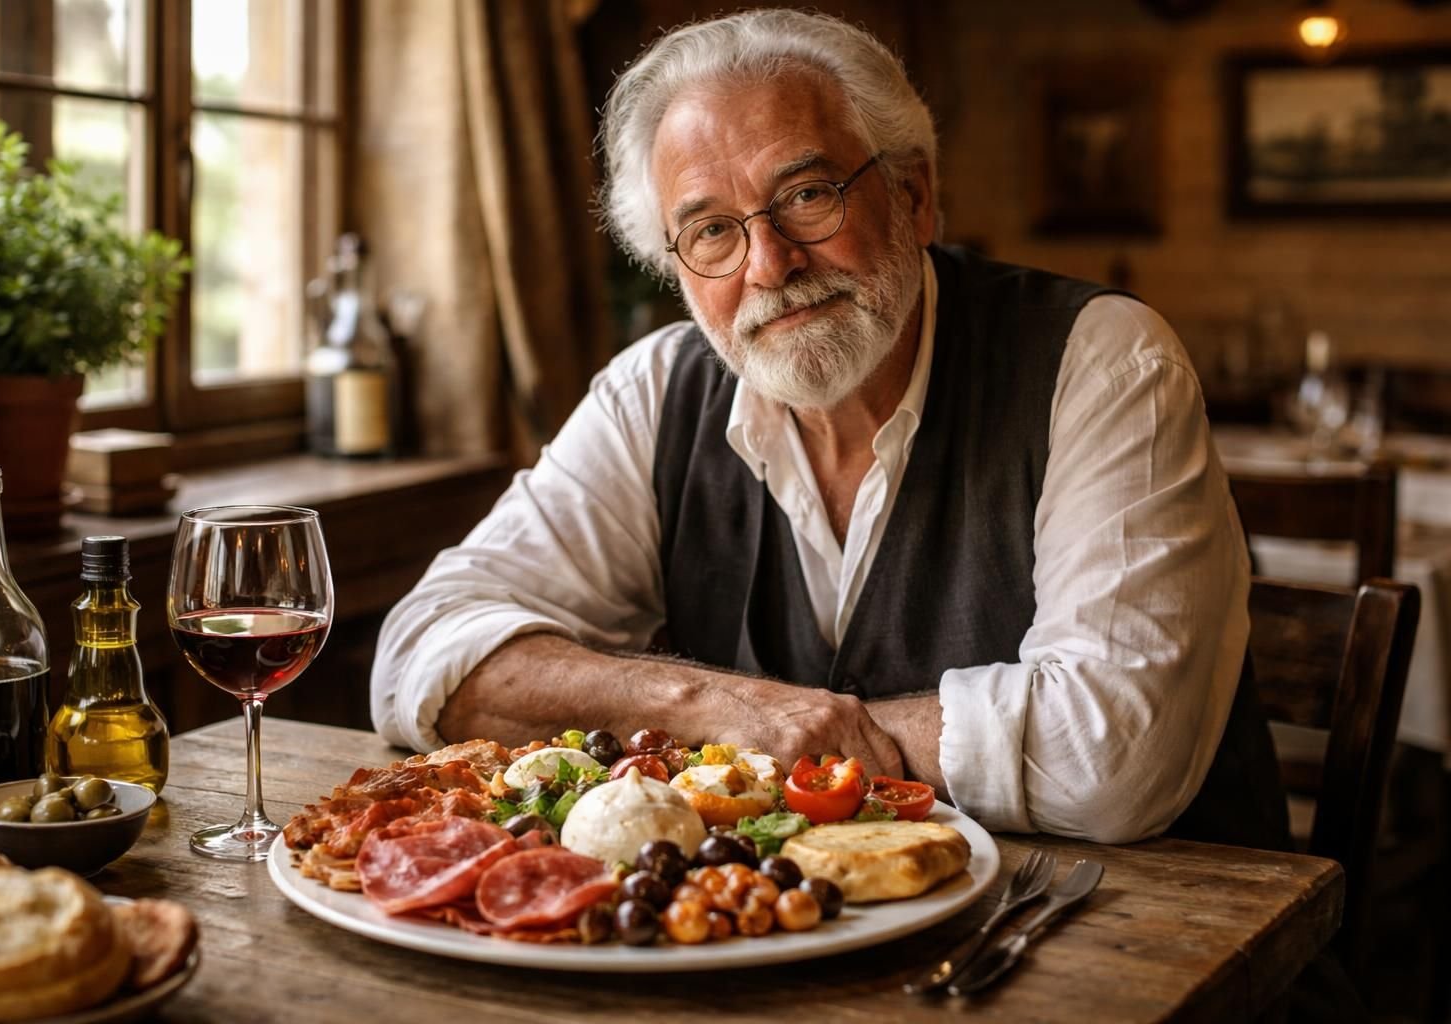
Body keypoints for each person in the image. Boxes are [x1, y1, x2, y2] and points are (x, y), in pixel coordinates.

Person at [371, 8, 1287, 848]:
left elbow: (1110, 759)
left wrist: (784, 743)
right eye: (712, 231)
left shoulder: (1100, 360)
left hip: (1146, 934)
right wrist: (711, 708)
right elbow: (421, 652)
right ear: (676, 269)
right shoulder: (655, 389)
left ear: (915, 195)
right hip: (808, 946)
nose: (770, 265)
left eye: (808, 196)